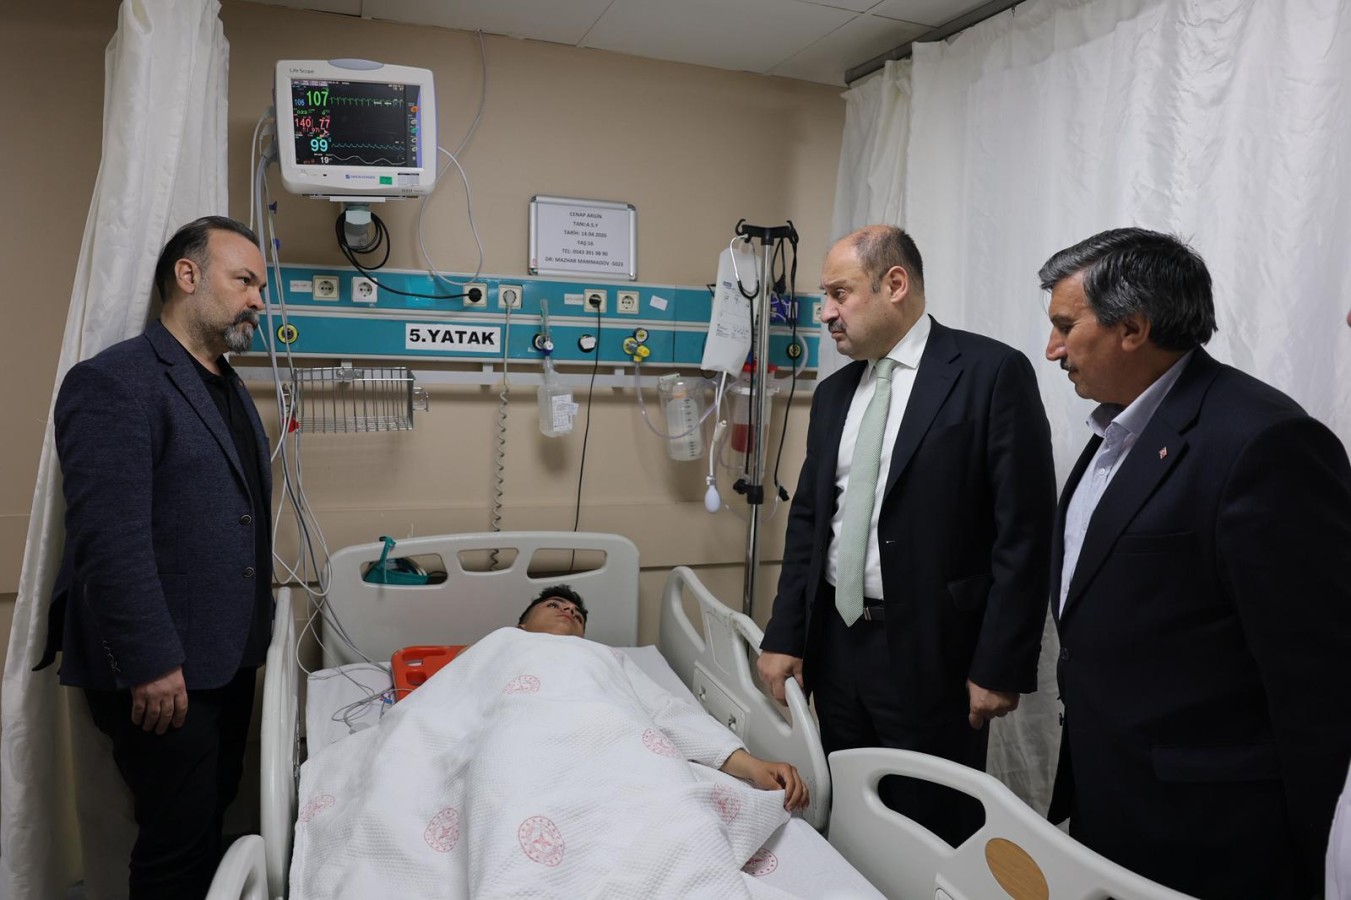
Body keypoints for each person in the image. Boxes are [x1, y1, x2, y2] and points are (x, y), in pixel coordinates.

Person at [1040, 227, 1351, 899]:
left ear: (1133, 328)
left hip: (1211, 831)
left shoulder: (1263, 443)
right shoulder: (1114, 430)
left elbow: (1315, 684)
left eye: (1065, 327)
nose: (1052, 349)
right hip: (1112, 795)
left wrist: (1320, 863)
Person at [756, 225, 1056, 845]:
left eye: (839, 293)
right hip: (839, 643)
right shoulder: (835, 393)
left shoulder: (989, 373)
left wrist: (1000, 663)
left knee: (932, 825)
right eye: (825, 297)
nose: (826, 313)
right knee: (850, 813)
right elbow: (810, 520)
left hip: (935, 650)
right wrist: (785, 634)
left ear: (894, 284)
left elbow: (1025, 533)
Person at [38, 216, 273, 900]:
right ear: (188, 275)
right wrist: (149, 662)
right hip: (163, 668)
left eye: (261, 287)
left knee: (208, 816)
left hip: (225, 656)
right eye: (245, 281)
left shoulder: (226, 386)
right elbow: (107, 540)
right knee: (175, 845)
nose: (258, 301)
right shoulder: (115, 382)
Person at [517, 584, 809, 811]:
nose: (569, 611)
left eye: (577, 615)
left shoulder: (603, 657)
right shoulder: (498, 646)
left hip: (607, 759)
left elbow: (666, 712)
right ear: (522, 626)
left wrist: (753, 766)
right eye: (554, 605)